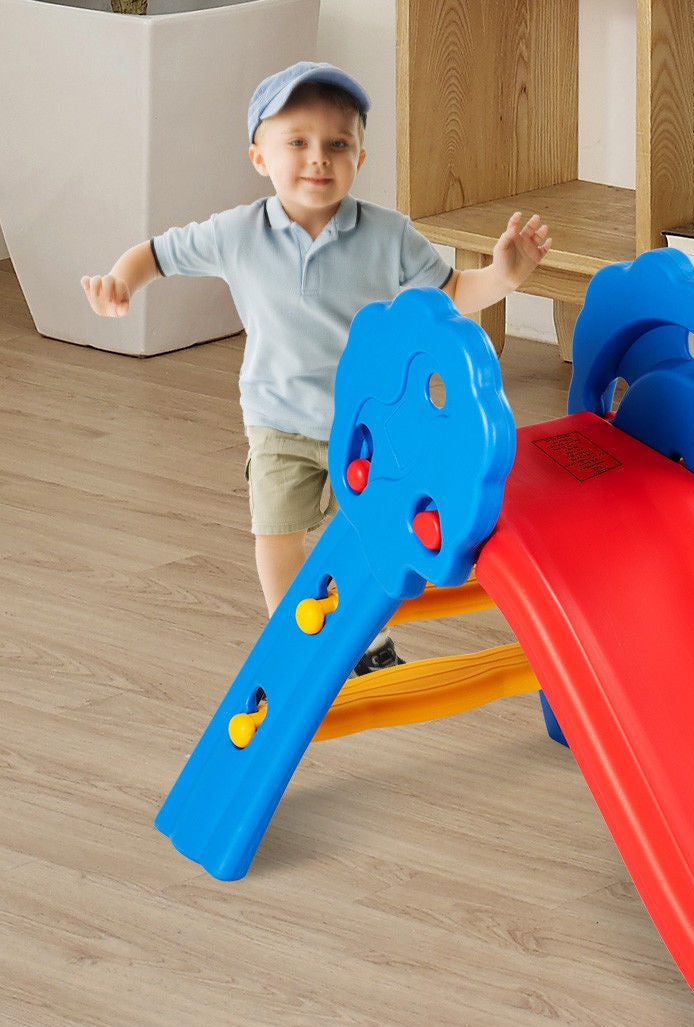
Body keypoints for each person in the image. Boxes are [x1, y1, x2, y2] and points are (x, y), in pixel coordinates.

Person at [81, 61, 551, 675]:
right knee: (276, 535)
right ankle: (290, 633)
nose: (318, 159)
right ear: (259, 157)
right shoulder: (237, 233)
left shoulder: (389, 234)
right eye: (297, 142)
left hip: (367, 427)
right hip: (277, 421)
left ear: (361, 156)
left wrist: (507, 277)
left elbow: (451, 293)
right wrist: (122, 279)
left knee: (368, 535)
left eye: (337, 144)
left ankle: (368, 641)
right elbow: (156, 254)